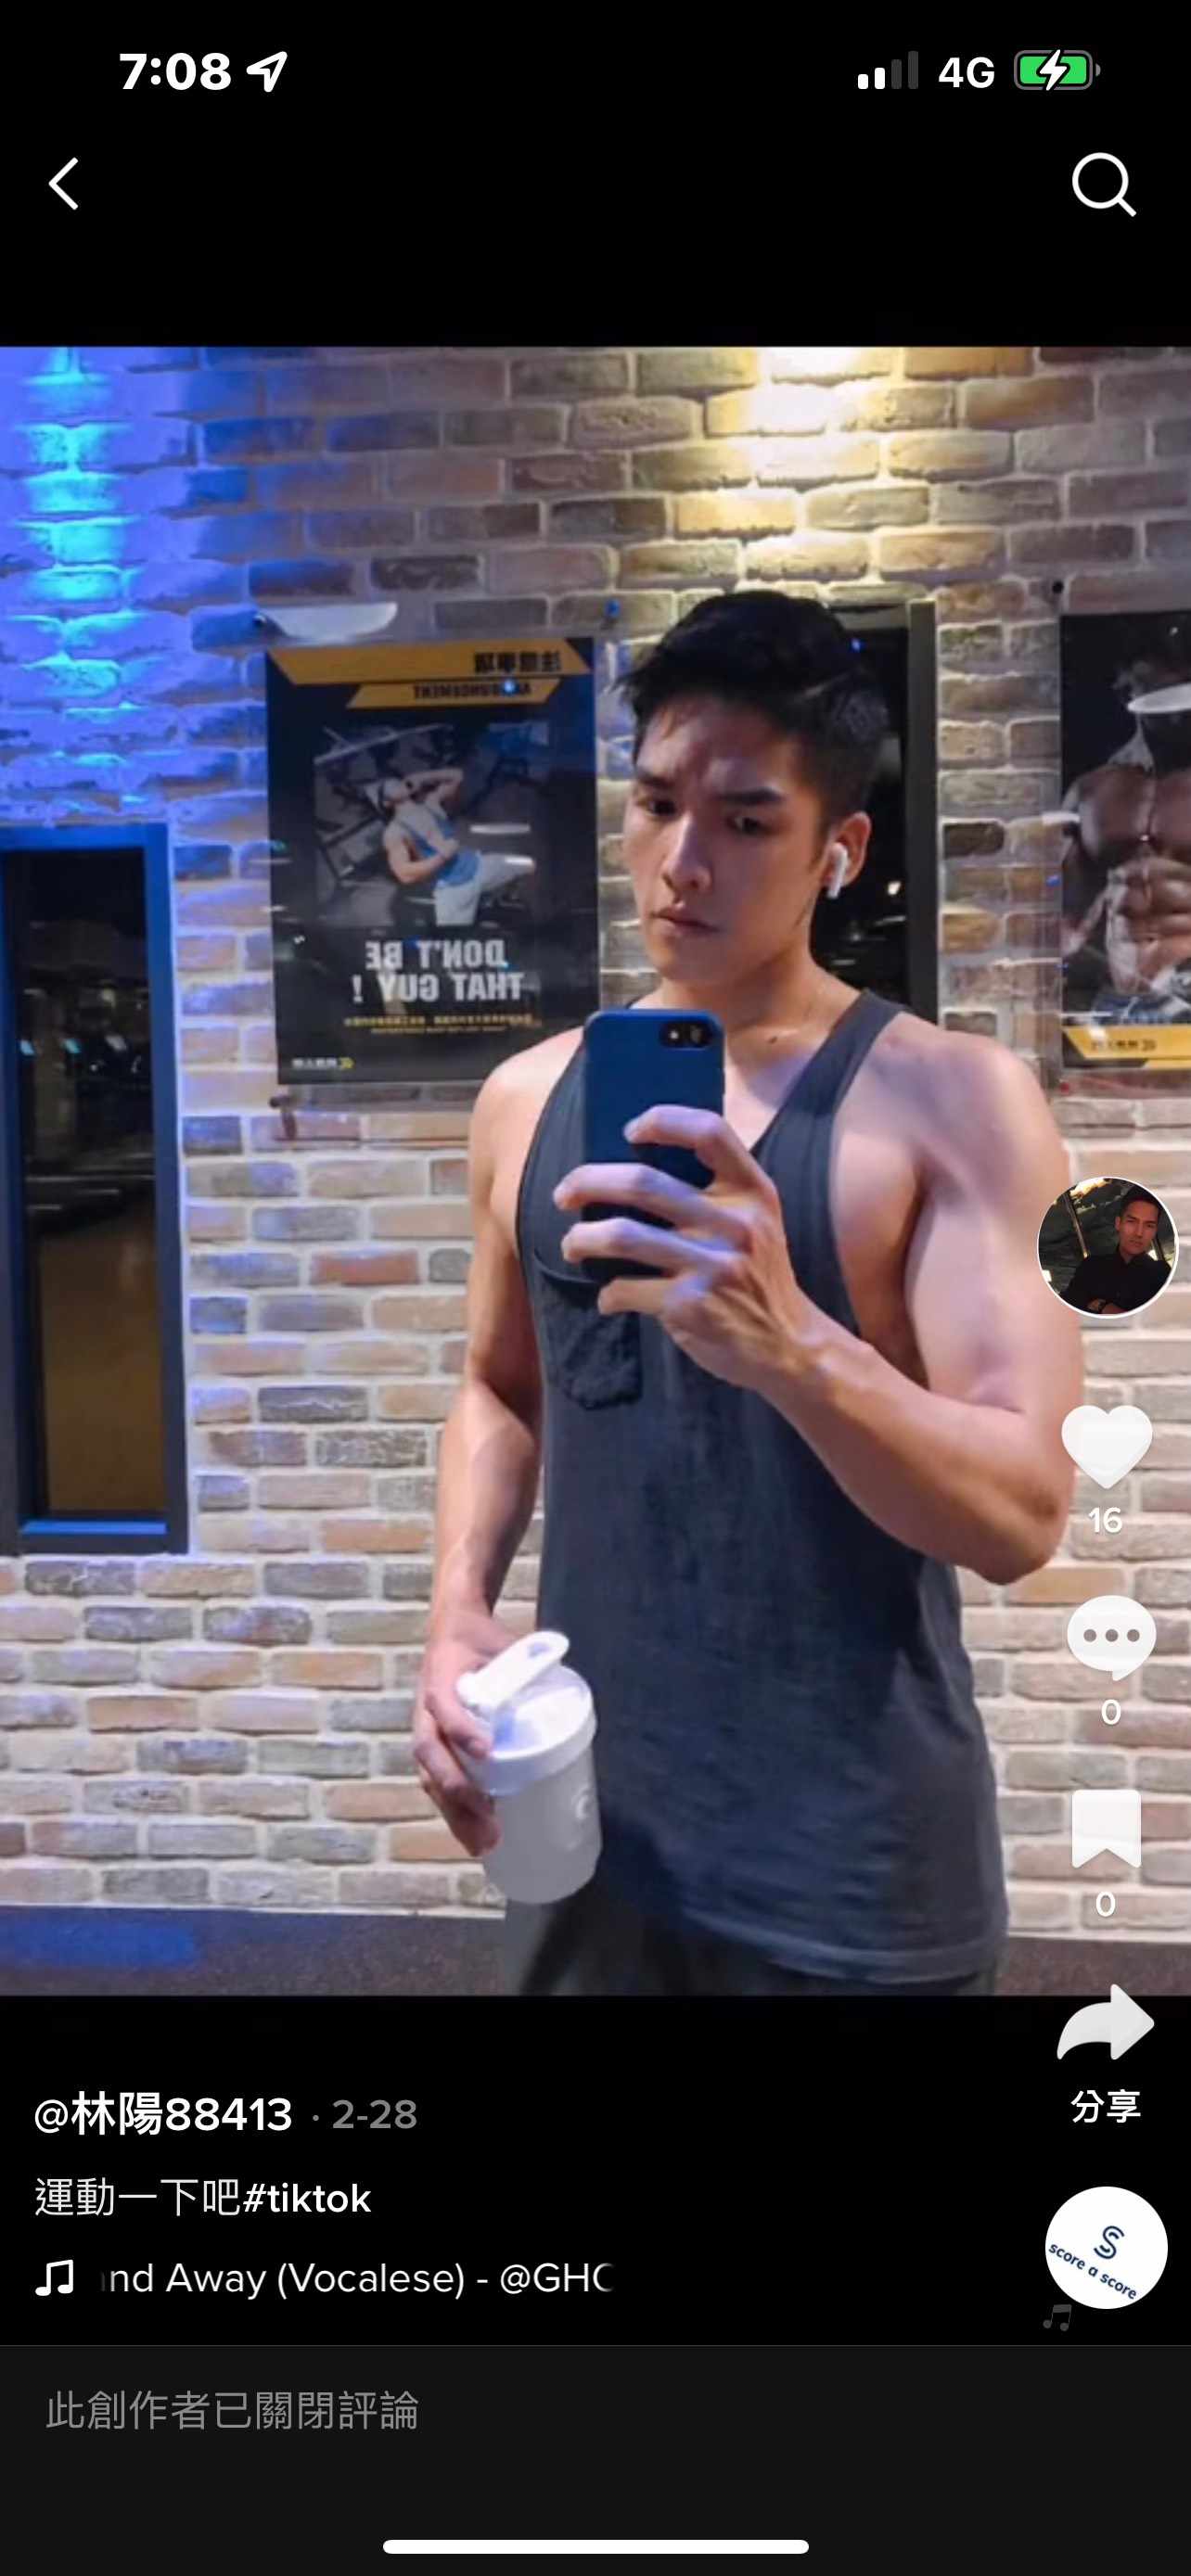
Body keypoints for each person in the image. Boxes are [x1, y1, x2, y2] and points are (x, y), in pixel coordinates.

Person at [412, 590, 1081, 1997]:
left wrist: (794, 1346)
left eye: (745, 820)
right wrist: (458, 1605)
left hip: (855, 1865)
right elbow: (501, 1387)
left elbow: (1022, 1514)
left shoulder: (960, 1104)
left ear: (841, 850)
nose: (682, 862)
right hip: (587, 1833)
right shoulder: (525, 1098)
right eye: (657, 805)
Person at [378, 766, 534, 929]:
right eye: (389, 786)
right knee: (453, 938)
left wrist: (422, 776)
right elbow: (404, 874)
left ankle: (505, 897)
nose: (396, 783)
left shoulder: (430, 804)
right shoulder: (395, 831)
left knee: (527, 864)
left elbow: (457, 776)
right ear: (386, 803)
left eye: (397, 781)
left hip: (477, 865)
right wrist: (442, 857)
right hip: (453, 889)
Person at [1058, 1187, 1168, 1315]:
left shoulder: (1162, 1274)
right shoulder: (1091, 1267)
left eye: (1149, 1225)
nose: (1139, 1233)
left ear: (1155, 1231)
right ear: (1118, 1223)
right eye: (1132, 1222)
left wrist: (1102, 1306)